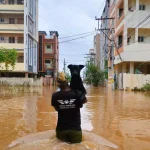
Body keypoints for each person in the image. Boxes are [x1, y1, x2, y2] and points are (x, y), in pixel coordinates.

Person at [51, 72, 87, 144]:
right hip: (75, 130)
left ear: (58, 83)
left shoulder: (55, 95)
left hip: (61, 130)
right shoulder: (77, 93)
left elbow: (56, 109)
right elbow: (85, 101)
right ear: (68, 82)